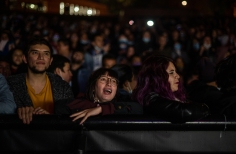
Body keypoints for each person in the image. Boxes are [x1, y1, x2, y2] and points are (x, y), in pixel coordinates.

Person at [7, 37, 74, 124]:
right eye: (35, 53)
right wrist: (16, 113)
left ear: (50, 60)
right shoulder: (10, 84)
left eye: (46, 54)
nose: (41, 57)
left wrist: (50, 119)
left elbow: (71, 119)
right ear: (25, 58)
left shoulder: (63, 86)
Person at [132, 55, 210, 123]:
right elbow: (182, 111)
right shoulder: (150, 98)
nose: (178, 76)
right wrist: (205, 108)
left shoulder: (174, 97)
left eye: (176, 72)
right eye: (171, 72)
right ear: (157, 77)